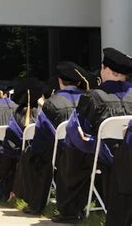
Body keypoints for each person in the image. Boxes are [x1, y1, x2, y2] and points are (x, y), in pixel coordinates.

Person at [53, 47, 132, 224]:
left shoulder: (94, 96)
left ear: (107, 70)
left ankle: (71, 209)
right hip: (129, 155)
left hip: (104, 157)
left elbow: (79, 133)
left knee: (71, 150)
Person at [16, 61, 91, 215]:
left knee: (33, 154)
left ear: (59, 81)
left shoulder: (50, 103)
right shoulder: (89, 99)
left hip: (60, 155)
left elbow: (41, 137)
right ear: (78, 82)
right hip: (91, 154)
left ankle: (36, 203)